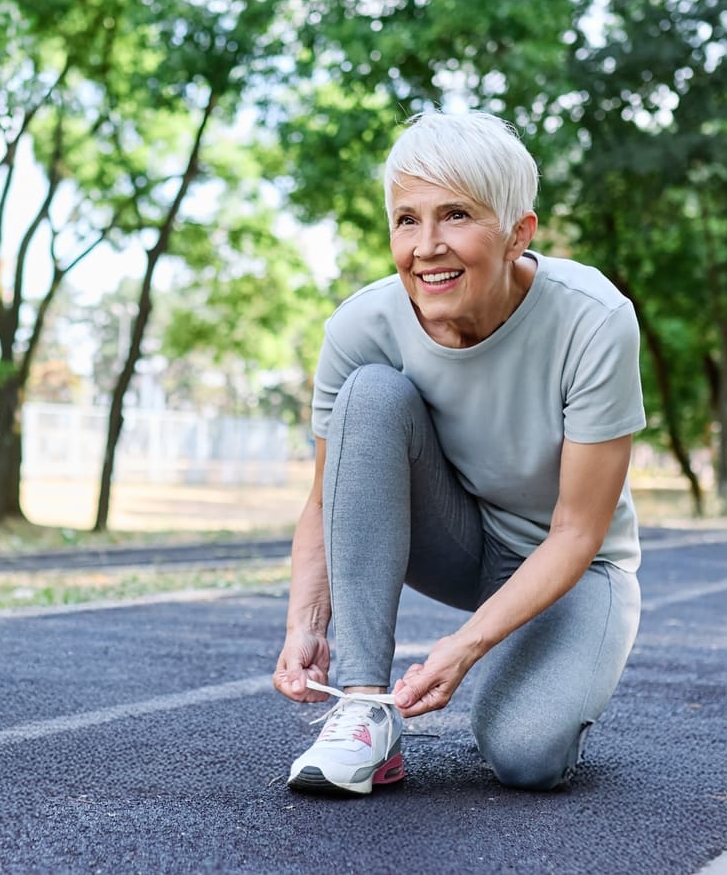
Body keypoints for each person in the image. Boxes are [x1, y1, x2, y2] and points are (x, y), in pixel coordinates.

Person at [272, 110, 645, 795]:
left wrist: (466, 646)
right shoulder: (363, 324)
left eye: (456, 216)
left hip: (574, 564)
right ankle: (365, 717)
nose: (427, 246)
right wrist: (307, 623)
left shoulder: (595, 320)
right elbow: (326, 500)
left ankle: (548, 671)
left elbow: (577, 530)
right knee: (371, 395)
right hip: (459, 544)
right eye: (407, 220)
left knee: (527, 757)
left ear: (518, 233)